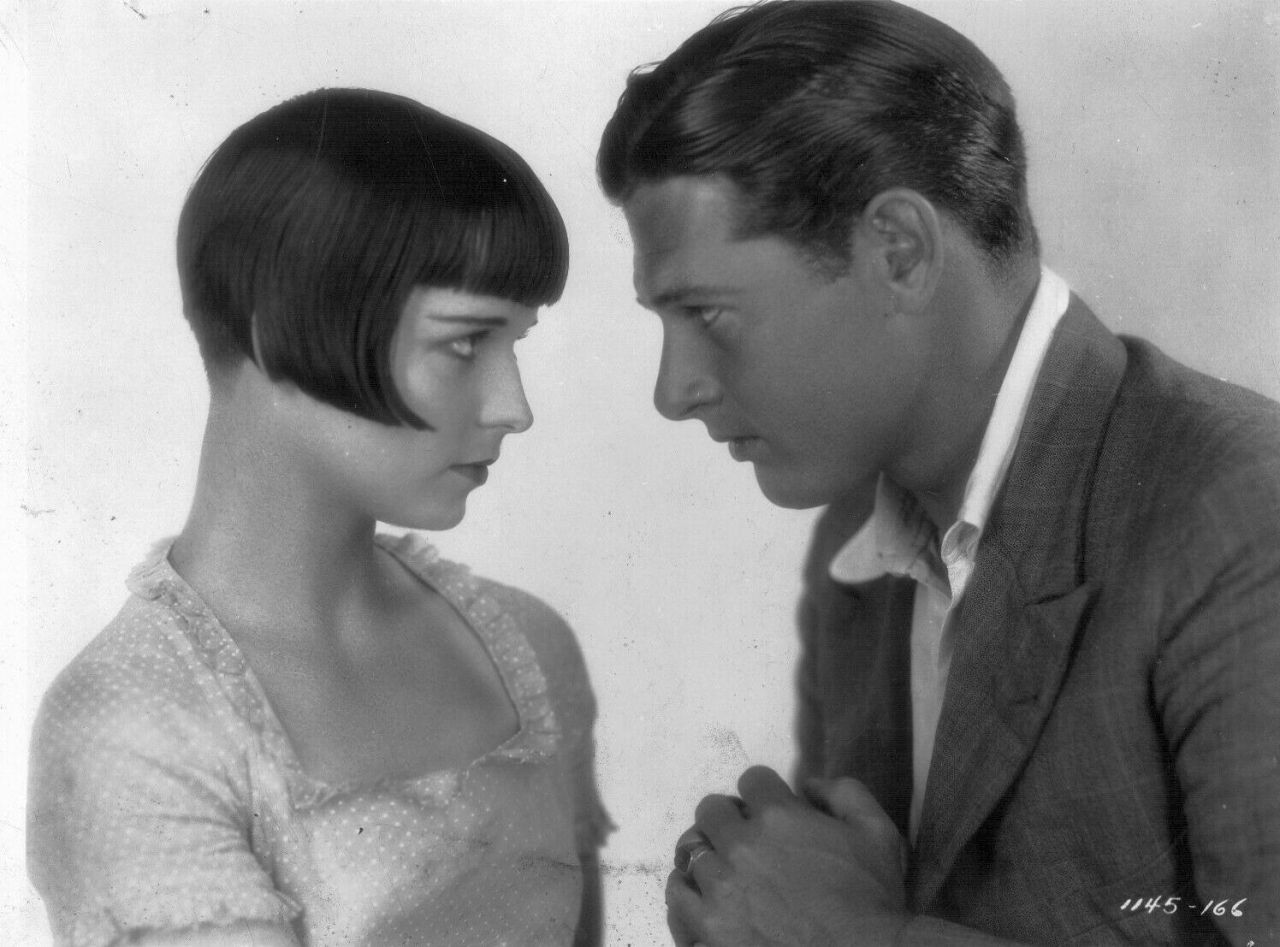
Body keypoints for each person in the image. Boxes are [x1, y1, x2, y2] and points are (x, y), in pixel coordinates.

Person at [597, 2, 1280, 944]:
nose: (673, 391)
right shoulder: (857, 545)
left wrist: (859, 937)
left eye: (708, 313)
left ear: (900, 252)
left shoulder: (1243, 515)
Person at [28, 87, 610, 947]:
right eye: (463, 343)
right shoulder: (132, 728)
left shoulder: (529, 646)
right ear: (277, 330)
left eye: (513, 344)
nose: (512, 407)